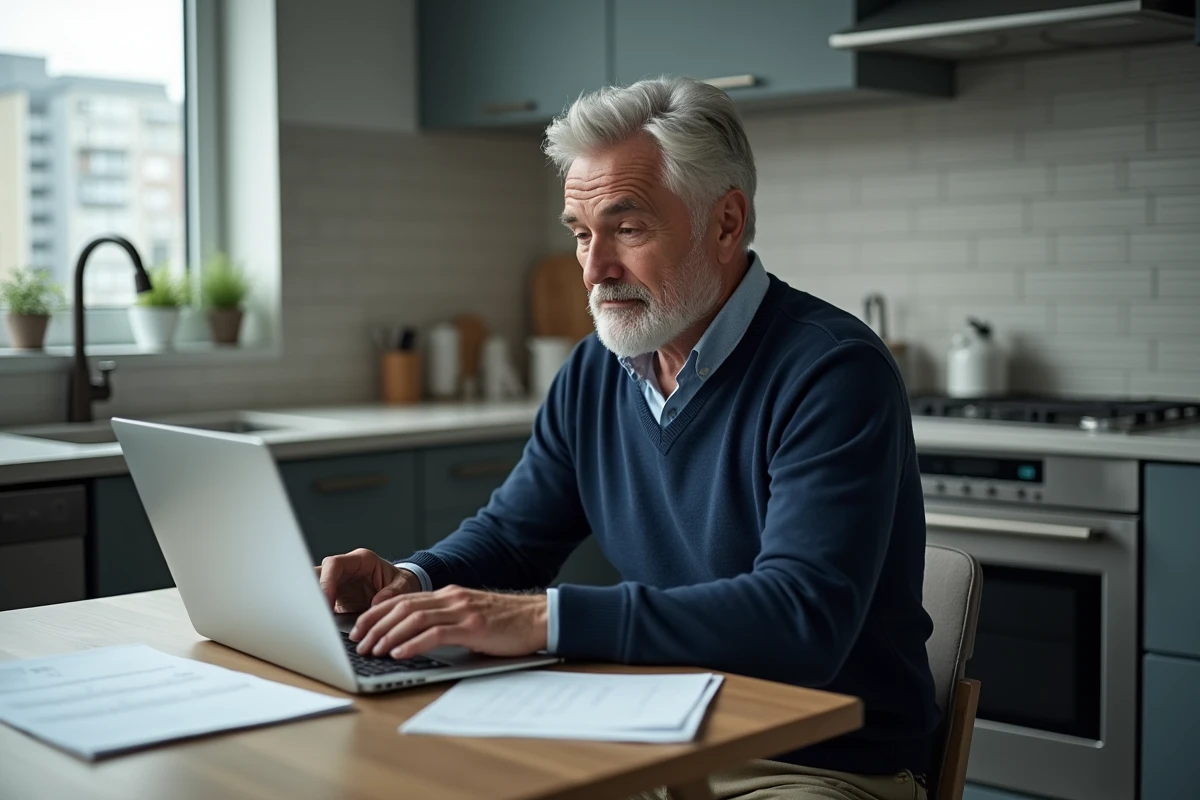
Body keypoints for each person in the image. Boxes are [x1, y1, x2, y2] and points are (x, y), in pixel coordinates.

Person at [317, 76, 938, 800]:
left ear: (727, 222)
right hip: (646, 735)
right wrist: (414, 578)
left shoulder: (832, 370)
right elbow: (516, 538)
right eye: (582, 233)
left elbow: (800, 621)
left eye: (628, 228)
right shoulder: (595, 369)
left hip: (816, 761)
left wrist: (542, 619)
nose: (593, 267)